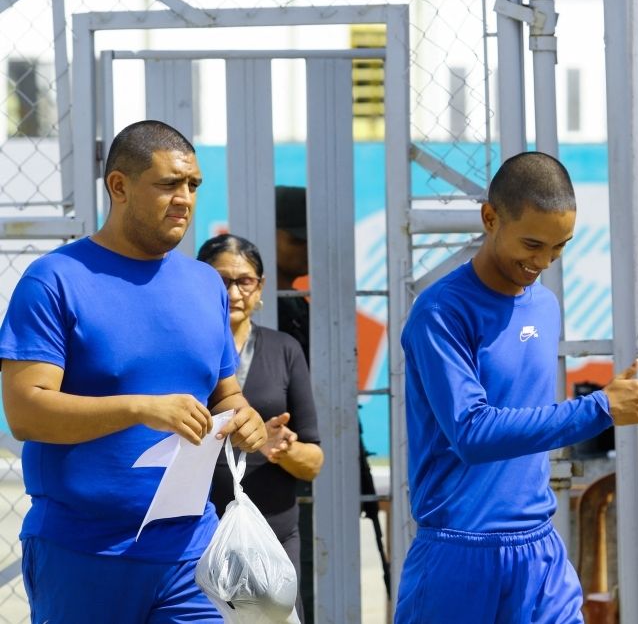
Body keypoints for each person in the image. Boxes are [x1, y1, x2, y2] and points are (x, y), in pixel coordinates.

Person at [0, 120, 267, 622]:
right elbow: (25, 412)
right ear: (119, 186)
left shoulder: (205, 284)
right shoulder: (54, 280)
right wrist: (139, 409)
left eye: (192, 185)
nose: (185, 198)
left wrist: (243, 417)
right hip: (83, 551)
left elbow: (225, 395)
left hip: (192, 550)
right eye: (168, 184)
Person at [394, 151, 638, 623]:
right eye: (533, 244)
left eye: (560, 247)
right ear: (490, 218)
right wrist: (598, 408)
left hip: (539, 555)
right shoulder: (440, 313)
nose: (543, 261)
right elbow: (472, 432)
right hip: (459, 555)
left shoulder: (545, 306)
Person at [273, 185, 391, 607]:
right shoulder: (265, 312)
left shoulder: (300, 307)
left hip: (306, 461)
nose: (306, 250)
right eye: (296, 239)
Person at [197, 233, 324, 619]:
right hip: (199, 534)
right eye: (221, 281)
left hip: (272, 535)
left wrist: (283, 448)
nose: (234, 292)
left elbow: (314, 461)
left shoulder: (284, 349)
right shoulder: (187, 348)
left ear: (261, 287)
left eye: (244, 280)